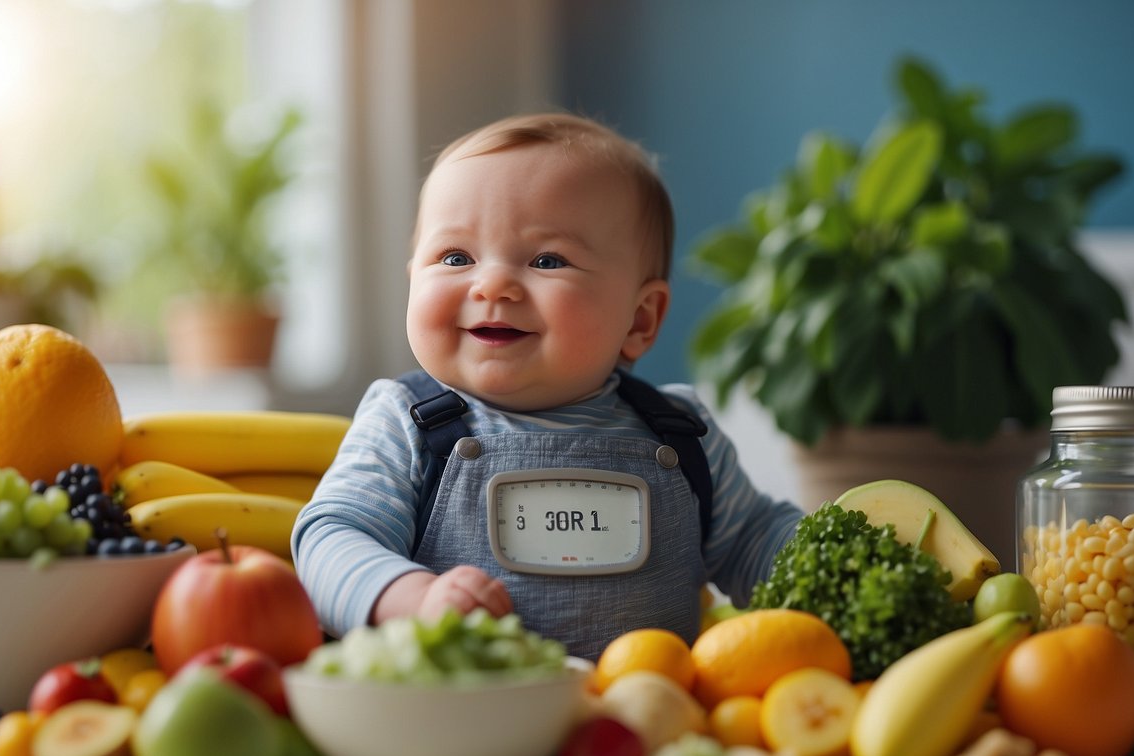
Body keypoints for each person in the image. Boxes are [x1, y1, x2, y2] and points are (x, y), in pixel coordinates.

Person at [291, 112, 803, 660]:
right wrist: (412, 598)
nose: (493, 284)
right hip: (472, 715)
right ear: (413, 277)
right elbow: (330, 540)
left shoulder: (681, 433)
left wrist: (849, 556)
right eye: (456, 257)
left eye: (547, 259)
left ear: (639, 320)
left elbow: (756, 543)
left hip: (648, 720)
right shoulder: (407, 421)